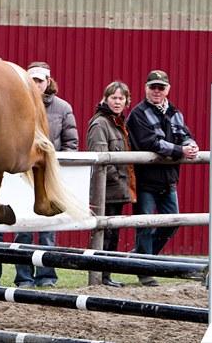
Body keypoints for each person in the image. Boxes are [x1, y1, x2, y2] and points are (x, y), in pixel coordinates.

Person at [126, 70, 198, 286]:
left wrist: (190, 144)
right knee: (146, 224)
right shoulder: (138, 114)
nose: (157, 91)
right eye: (153, 87)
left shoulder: (175, 112)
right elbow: (151, 143)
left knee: (172, 221)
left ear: (168, 89)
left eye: (161, 87)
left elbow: (184, 133)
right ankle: (145, 271)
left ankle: (141, 258)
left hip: (168, 179)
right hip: (146, 178)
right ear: (146, 88)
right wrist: (181, 150)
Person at [14, 61, 78, 288]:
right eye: (32, 80)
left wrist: (55, 165)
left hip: (48, 176)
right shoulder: (17, 105)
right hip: (22, 175)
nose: (36, 84)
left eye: (39, 80)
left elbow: (71, 143)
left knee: (47, 231)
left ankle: (46, 276)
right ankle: (23, 277)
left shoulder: (62, 108)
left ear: (48, 82)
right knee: (23, 229)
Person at [86, 81, 137, 287]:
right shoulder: (100, 123)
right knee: (103, 233)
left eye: (121, 98)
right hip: (106, 189)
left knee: (113, 233)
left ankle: (106, 275)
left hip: (117, 189)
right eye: (114, 98)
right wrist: (118, 180)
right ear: (106, 99)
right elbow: (100, 158)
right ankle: (99, 276)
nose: (117, 102)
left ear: (127, 101)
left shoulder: (118, 123)